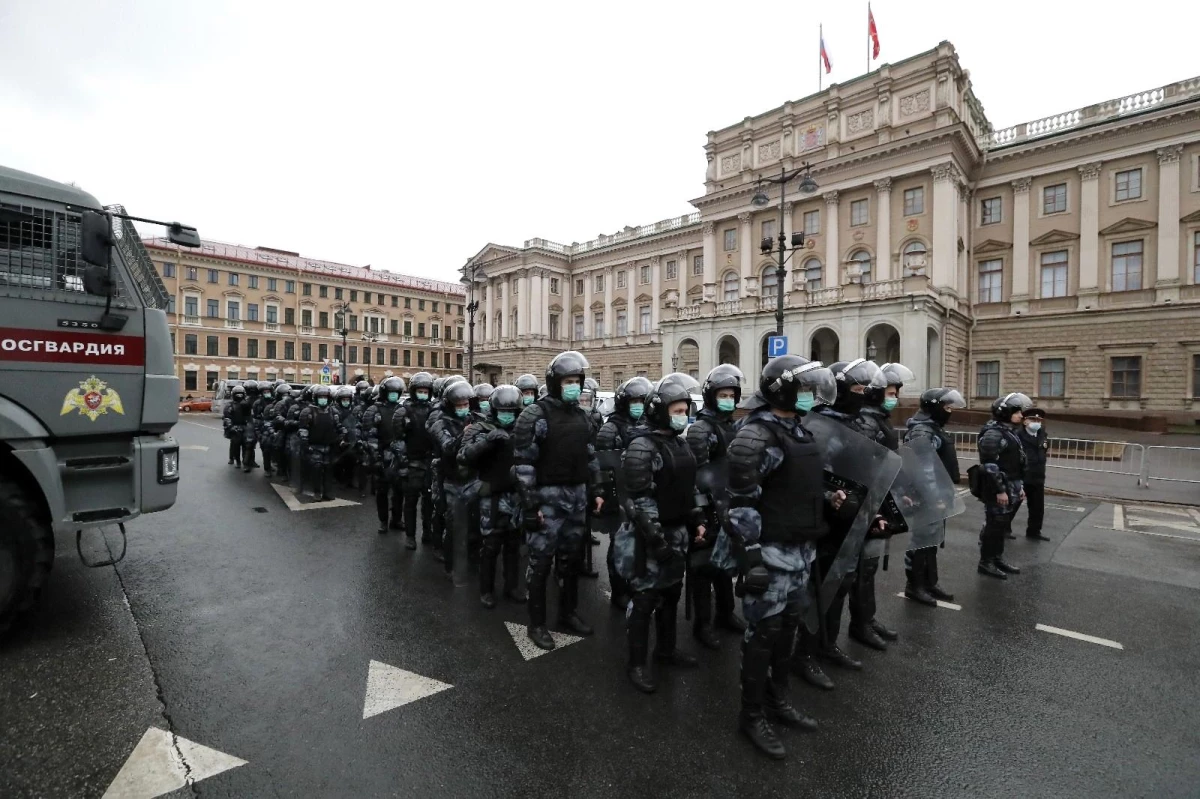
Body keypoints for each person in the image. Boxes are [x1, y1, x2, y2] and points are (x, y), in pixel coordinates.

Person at [724, 356, 836, 758]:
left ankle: (778, 701)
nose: (811, 396)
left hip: (799, 552)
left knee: (787, 632)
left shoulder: (797, 431)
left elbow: (793, 486)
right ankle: (751, 715)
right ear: (783, 390)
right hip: (770, 555)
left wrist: (826, 498)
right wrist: (751, 558)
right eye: (804, 389)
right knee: (763, 637)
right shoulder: (756, 436)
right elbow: (741, 505)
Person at [613, 373, 703, 693]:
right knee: (645, 599)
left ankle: (665, 650)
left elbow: (686, 488)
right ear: (660, 411)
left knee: (671, 594)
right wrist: (656, 539)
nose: (683, 416)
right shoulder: (642, 446)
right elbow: (639, 500)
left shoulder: (680, 443)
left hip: (677, 532)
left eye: (684, 411)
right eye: (677, 411)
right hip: (649, 539)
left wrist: (697, 520)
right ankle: (636, 663)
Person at [512, 351, 601, 650]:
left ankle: (567, 612)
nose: (573, 386)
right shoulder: (535, 415)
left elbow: (590, 456)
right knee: (540, 563)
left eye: (577, 381)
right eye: (568, 381)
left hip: (576, 497)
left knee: (571, 559)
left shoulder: (582, 416)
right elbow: (524, 465)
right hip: (547, 500)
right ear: (555, 382)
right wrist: (530, 506)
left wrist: (597, 490)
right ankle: (536, 624)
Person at [847, 362, 913, 651]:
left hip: (878, 501)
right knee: (862, 569)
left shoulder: (880, 419)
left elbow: (888, 463)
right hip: (867, 504)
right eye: (889, 392)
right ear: (875, 394)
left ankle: (868, 618)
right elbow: (864, 467)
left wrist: (897, 493)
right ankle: (860, 625)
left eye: (896, 392)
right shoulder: (867, 422)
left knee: (869, 566)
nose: (893, 397)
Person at [685, 364, 746, 651]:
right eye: (723, 394)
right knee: (703, 568)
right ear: (711, 396)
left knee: (724, 564)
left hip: (727, 505)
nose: (729, 399)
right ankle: (703, 624)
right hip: (707, 508)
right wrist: (699, 514)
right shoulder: (700, 430)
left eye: (732, 395)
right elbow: (695, 477)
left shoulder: (730, 426)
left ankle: (725, 613)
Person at [459, 384, 526, 607]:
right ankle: (486, 590)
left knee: (513, 544)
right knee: (491, 544)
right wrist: (487, 442)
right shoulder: (480, 428)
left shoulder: (523, 429)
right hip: (491, 494)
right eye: (502, 411)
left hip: (515, 495)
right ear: (494, 410)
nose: (507, 416)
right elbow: (464, 455)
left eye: (511, 412)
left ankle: (512, 587)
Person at [902, 387, 965, 605]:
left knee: (932, 539)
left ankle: (930, 582)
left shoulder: (933, 428)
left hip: (937, 494)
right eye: (946, 407)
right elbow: (923, 470)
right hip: (928, 497)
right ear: (934, 408)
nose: (949, 411)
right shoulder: (923, 431)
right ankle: (915, 586)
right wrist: (933, 497)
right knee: (921, 540)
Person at [595, 376, 652, 609]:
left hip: (640, 492)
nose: (639, 404)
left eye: (643, 400)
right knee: (619, 542)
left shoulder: (646, 424)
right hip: (618, 494)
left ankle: (634, 583)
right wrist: (605, 496)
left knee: (639, 541)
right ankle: (618, 589)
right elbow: (603, 466)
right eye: (635, 400)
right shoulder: (611, 428)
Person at [976, 392, 1032, 578]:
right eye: (1017, 412)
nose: (1021, 415)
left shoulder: (1008, 431)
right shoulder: (993, 433)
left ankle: (997, 558)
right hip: (998, 488)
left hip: (1010, 486)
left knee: (1001, 526)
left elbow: (1015, 462)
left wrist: (1019, 487)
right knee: (994, 525)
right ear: (1005, 412)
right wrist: (1000, 490)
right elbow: (990, 465)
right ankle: (986, 562)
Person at [431, 380, 474, 578]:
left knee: (473, 524)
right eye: (460, 405)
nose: (464, 408)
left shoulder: (473, 419)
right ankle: (450, 565)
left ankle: (471, 562)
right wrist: (463, 436)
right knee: (453, 523)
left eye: (466, 404)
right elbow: (447, 447)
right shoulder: (440, 423)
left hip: (472, 478)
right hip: (451, 479)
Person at [394, 372, 436, 550]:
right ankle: (410, 536)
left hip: (429, 462)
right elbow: (398, 440)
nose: (423, 393)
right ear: (413, 391)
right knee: (410, 501)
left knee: (429, 502)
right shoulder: (403, 411)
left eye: (426, 391)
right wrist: (403, 464)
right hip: (412, 462)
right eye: (420, 390)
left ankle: (427, 532)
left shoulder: (434, 410)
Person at [362, 376, 407, 535]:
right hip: (382, 454)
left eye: (397, 392)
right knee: (382, 490)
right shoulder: (374, 410)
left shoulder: (402, 409)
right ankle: (383, 521)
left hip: (399, 455)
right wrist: (376, 457)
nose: (394, 395)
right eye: (391, 392)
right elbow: (370, 435)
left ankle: (396, 519)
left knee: (399, 490)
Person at [299, 385, 340, 500]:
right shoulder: (308, 411)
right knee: (316, 468)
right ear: (316, 398)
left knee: (328, 469)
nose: (323, 399)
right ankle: (317, 491)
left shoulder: (333, 411)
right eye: (321, 397)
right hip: (314, 446)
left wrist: (343, 434)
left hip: (329, 445)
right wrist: (305, 443)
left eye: (325, 397)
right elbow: (303, 429)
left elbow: (338, 426)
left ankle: (327, 492)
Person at [1019, 408, 1050, 541]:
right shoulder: (1018, 435)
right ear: (1025, 421)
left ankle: (1034, 531)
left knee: (1037, 507)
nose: (1036, 422)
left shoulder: (1042, 434)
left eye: (1039, 420)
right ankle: (1004, 530)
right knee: (1012, 505)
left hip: (1038, 476)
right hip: (1022, 476)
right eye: (1033, 419)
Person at [222, 385, 250, 469]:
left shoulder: (246, 404)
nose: (239, 396)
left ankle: (245, 463)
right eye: (237, 394)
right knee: (235, 445)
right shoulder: (230, 405)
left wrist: (251, 425)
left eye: (241, 394)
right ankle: (236, 460)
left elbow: (251, 416)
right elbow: (227, 417)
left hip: (245, 427)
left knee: (246, 446)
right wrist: (231, 427)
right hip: (235, 427)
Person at [252, 380, 276, 476]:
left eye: (268, 391)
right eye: (264, 392)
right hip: (262, 428)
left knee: (274, 448)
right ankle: (267, 469)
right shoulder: (258, 403)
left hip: (274, 426)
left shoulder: (275, 401)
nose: (267, 393)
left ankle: (272, 464)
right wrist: (259, 432)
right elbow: (256, 417)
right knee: (265, 448)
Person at [241, 381, 261, 471]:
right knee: (248, 445)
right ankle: (246, 463)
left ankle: (251, 461)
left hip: (253, 423)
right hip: (249, 423)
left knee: (252, 444)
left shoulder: (256, 399)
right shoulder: (245, 401)